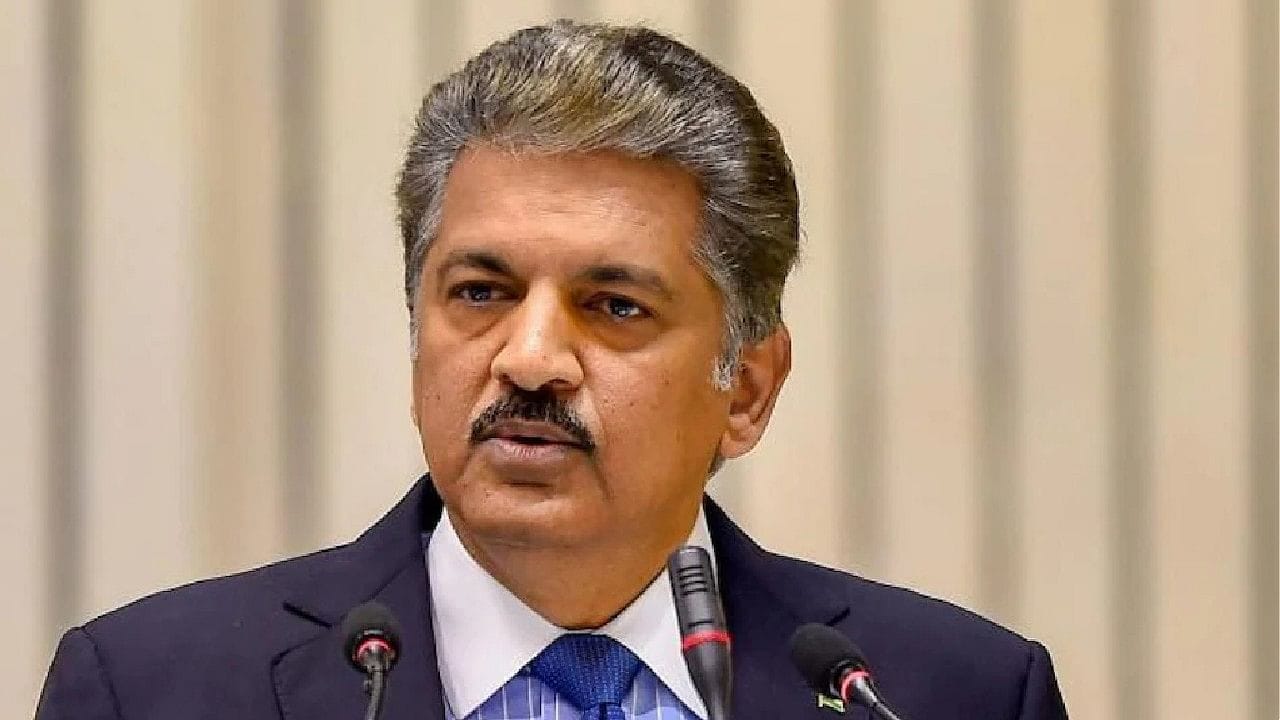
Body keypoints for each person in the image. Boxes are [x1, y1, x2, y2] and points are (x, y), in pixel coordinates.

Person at [35, 20, 1067, 720]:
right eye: (480, 292)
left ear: (746, 389)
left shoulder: (944, 694)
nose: (528, 359)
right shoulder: (151, 691)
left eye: (614, 306)